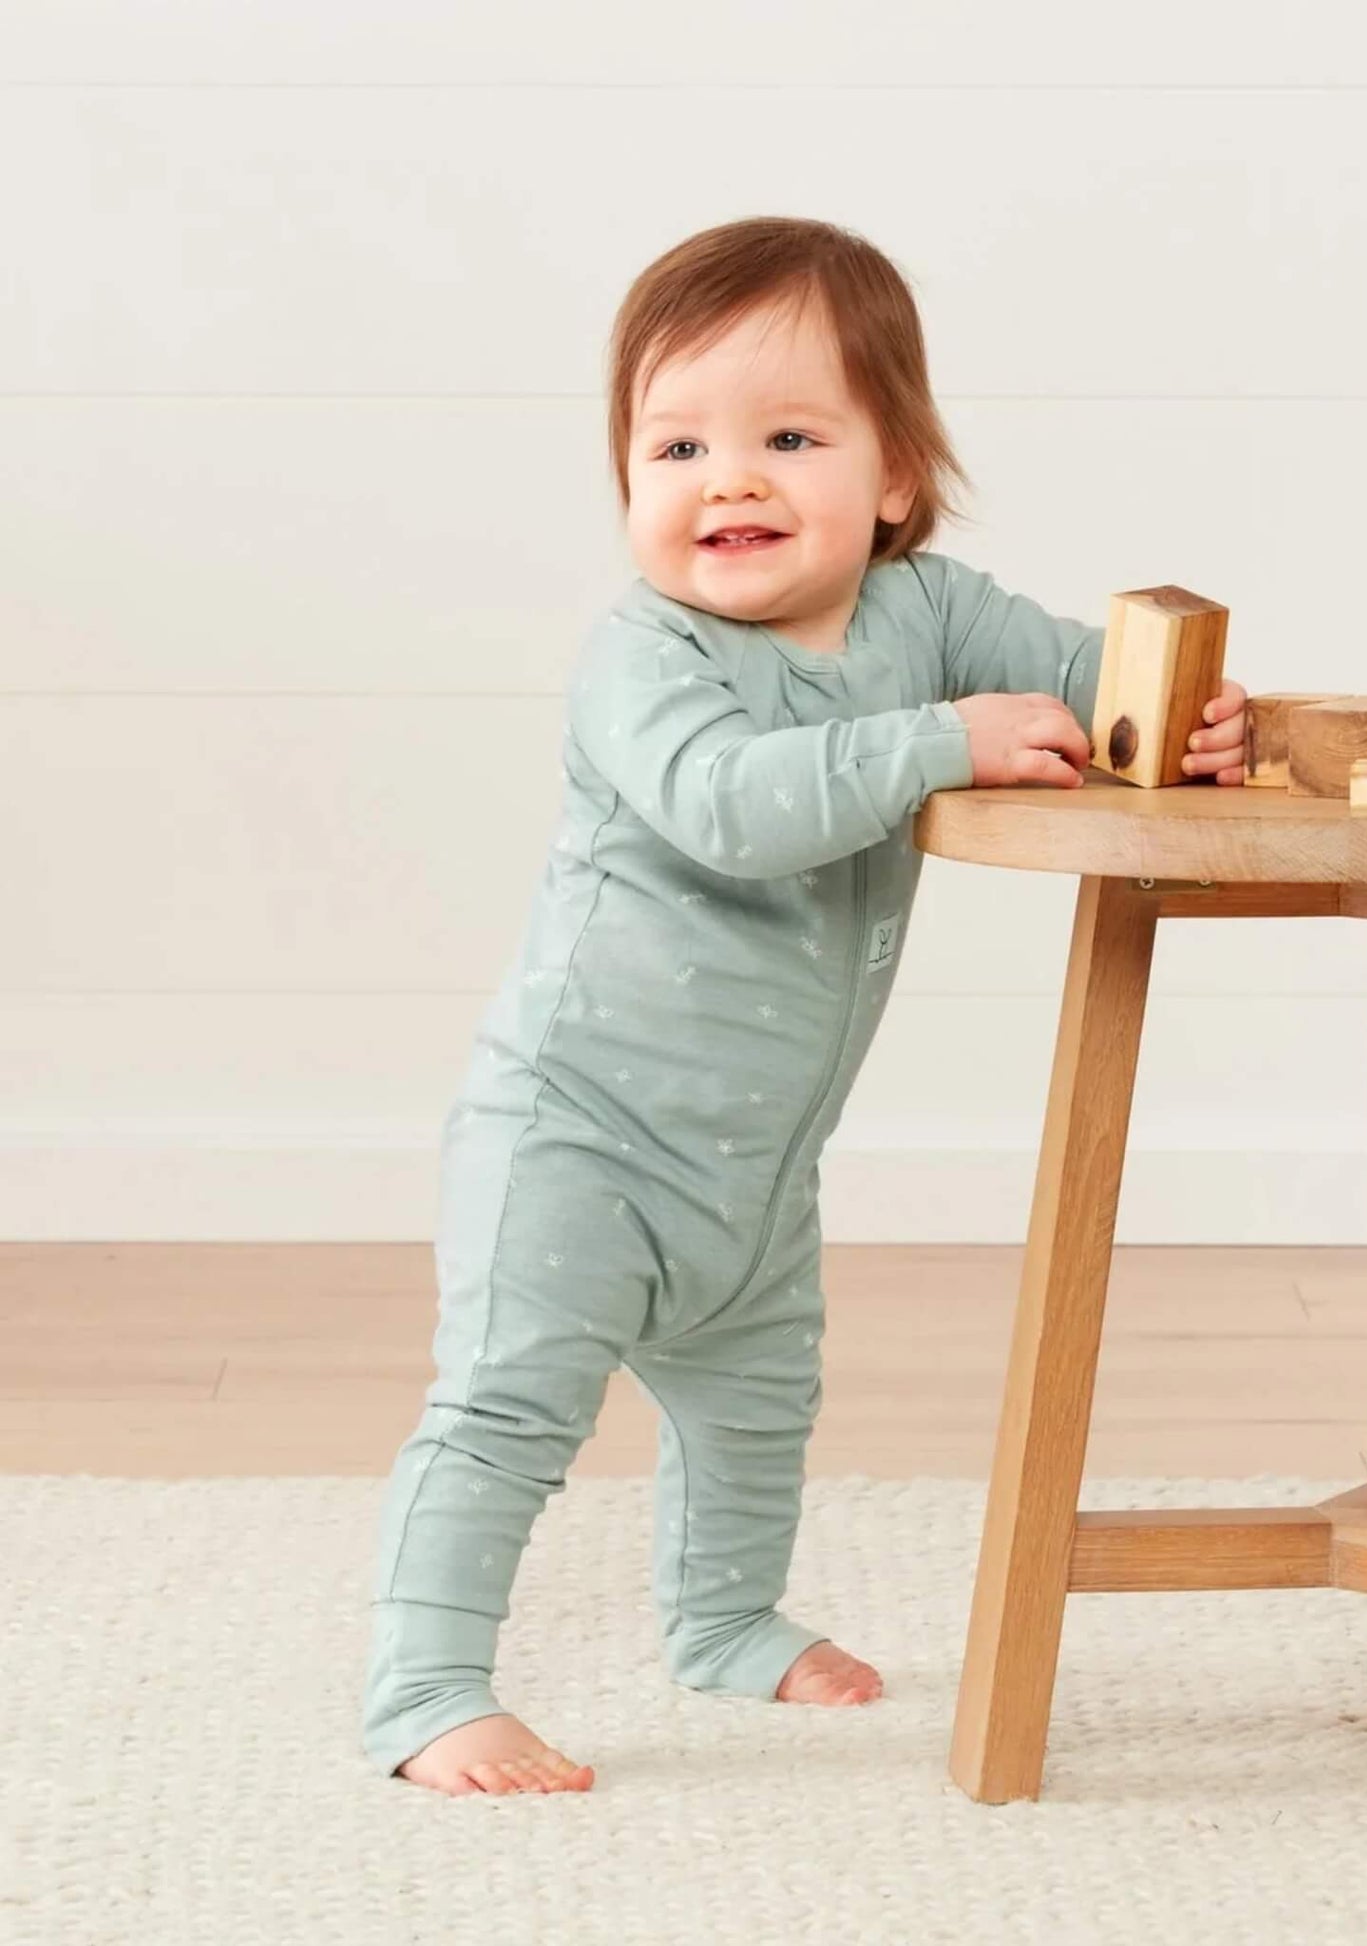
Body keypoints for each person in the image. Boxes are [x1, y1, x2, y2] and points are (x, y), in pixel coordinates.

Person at [361, 215, 1248, 1796]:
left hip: (754, 1160)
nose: (731, 479)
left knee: (757, 1400)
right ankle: (426, 1687)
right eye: (678, 443)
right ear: (627, 480)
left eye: (789, 436)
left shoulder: (922, 614)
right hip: (580, 1130)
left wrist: (1181, 719)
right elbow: (728, 803)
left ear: (893, 475)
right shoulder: (643, 655)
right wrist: (940, 746)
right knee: (509, 1407)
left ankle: (719, 1620)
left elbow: (1081, 676)